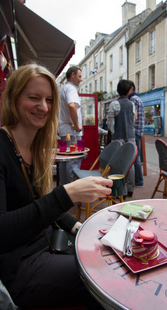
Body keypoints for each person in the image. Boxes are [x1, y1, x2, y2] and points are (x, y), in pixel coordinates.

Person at [0, 63, 113, 309]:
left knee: (106, 255)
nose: (44, 107)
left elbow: (36, 204)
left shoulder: (34, 149)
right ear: (14, 99)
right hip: (18, 267)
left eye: (49, 100)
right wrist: (66, 194)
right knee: (103, 276)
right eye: (34, 98)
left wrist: (78, 226)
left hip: (49, 244)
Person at [107, 79, 136, 197]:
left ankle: (121, 191)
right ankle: (130, 189)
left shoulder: (114, 104)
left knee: (118, 164)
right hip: (131, 137)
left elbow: (110, 123)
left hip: (119, 137)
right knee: (130, 163)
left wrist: (115, 132)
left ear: (117, 90)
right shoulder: (132, 104)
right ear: (129, 91)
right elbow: (133, 120)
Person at [58, 66, 83, 184]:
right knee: (73, 162)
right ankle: (71, 194)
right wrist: (77, 125)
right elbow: (72, 105)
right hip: (72, 132)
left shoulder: (62, 89)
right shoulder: (71, 89)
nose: (81, 79)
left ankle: (64, 191)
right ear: (72, 75)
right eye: (79, 76)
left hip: (64, 131)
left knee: (64, 162)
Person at [127, 80, 145, 187]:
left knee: (135, 156)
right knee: (136, 156)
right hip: (139, 131)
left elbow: (133, 116)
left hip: (134, 131)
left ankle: (138, 181)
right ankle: (138, 180)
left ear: (131, 88)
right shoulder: (137, 98)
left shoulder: (133, 99)